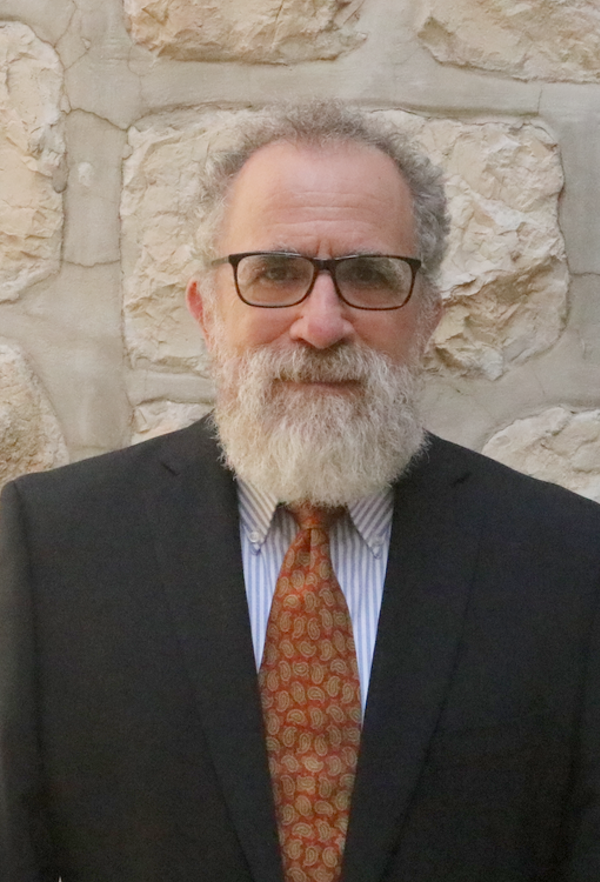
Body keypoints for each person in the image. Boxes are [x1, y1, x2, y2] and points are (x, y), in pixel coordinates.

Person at [1, 101, 600, 882]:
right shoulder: (51, 550)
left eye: (369, 276)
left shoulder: (569, 563)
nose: (321, 325)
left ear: (427, 318)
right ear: (206, 312)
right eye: (276, 273)